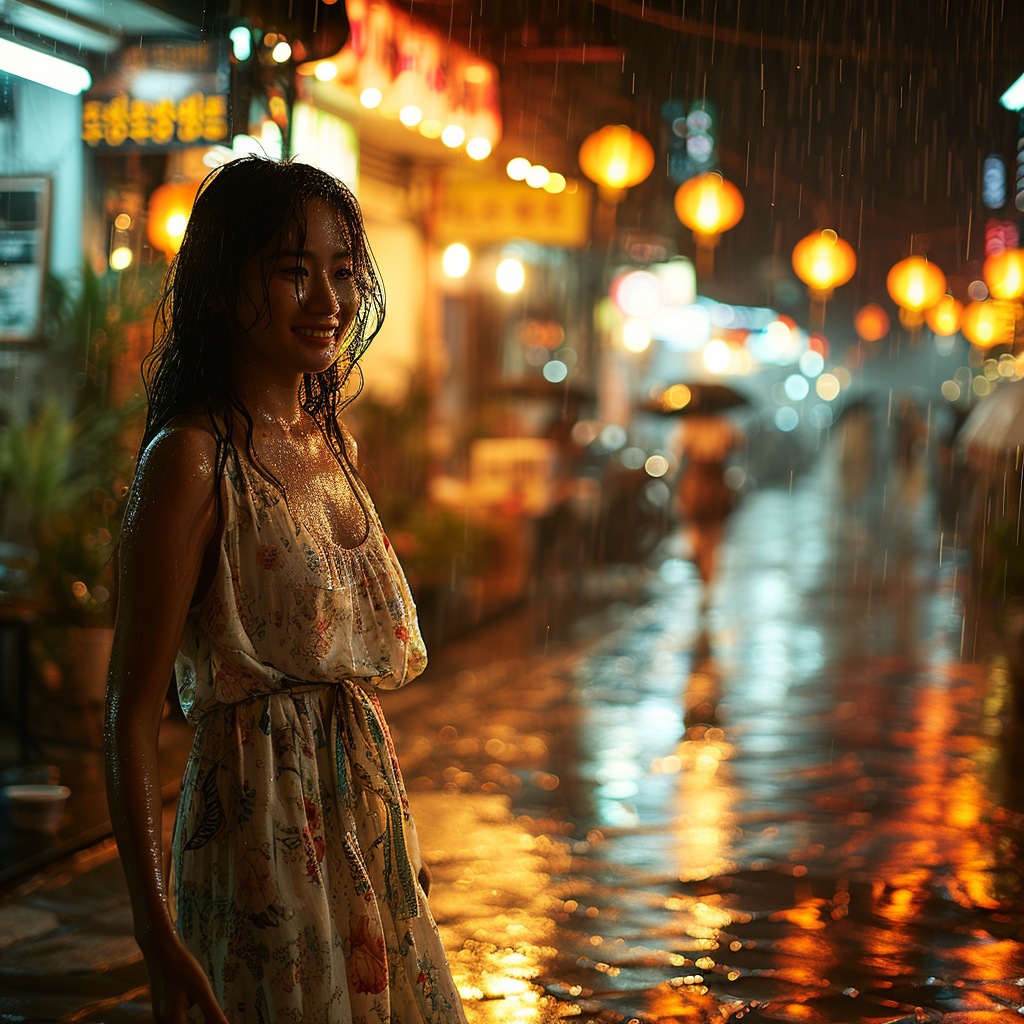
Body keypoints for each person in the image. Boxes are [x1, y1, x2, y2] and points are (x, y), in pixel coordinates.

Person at [104, 156, 468, 1024]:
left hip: (359, 825)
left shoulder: (329, 447)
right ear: (228, 288)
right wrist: (156, 935)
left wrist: (393, 847)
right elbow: (128, 713)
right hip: (255, 829)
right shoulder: (192, 460)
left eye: (342, 271)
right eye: (292, 270)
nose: (327, 299)